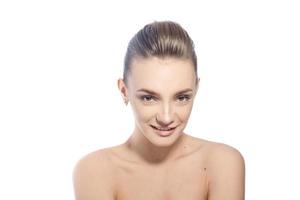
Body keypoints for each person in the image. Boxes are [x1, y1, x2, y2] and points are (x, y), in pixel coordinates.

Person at [72, 20, 245, 200]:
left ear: (196, 90)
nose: (166, 117)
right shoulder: (94, 170)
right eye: (149, 98)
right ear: (124, 91)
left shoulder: (223, 163)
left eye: (182, 98)